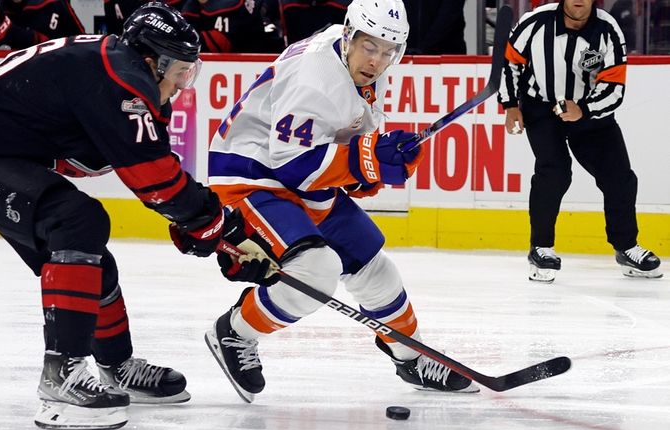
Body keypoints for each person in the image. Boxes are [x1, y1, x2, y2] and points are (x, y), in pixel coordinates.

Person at [0, 2, 275, 430]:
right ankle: (61, 378)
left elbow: (153, 174)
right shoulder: (121, 79)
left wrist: (206, 227)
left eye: (191, 71)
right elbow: (156, 181)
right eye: (180, 70)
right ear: (152, 60)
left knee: (85, 255)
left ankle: (115, 365)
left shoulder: (112, 66)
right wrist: (216, 229)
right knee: (77, 222)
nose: (184, 83)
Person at [203, 0, 479, 403]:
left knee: (373, 268)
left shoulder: (360, 61)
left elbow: (343, 137)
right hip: (251, 174)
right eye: (371, 47)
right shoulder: (314, 75)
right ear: (350, 34)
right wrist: (367, 159)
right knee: (316, 270)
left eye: (389, 50)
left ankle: (410, 354)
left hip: (297, 174)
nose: (379, 60)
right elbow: (293, 165)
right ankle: (234, 332)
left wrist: (374, 163)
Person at [498, 0, 662, 282]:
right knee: (555, 172)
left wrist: (583, 109)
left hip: (588, 111)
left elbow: (614, 88)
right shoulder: (535, 22)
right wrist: (511, 104)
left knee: (620, 177)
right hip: (541, 109)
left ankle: (626, 247)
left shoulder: (608, 31)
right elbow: (510, 62)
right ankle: (541, 247)